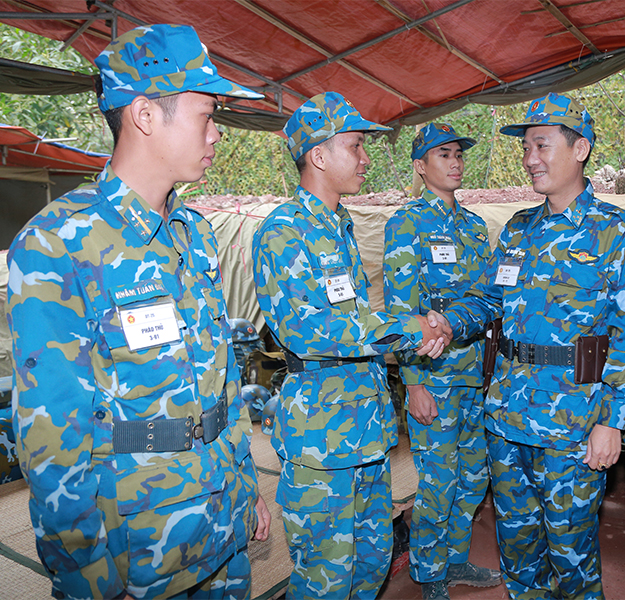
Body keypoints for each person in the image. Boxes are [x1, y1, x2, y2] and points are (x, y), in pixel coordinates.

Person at [6, 24, 271, 600]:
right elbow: (52, 435)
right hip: (138, 552)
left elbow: (221, 381)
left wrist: (247, 489)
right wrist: (89, 575)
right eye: (206, 115)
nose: (217, 134)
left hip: (221, 529)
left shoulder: (193, 234)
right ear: (147, 115)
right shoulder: (60, 243)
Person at [439, 92, 625, 598]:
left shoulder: (619, 234)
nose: (530, 158)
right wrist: (445, 323)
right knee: (517, 552)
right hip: (507, 419)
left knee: (573, 558)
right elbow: (489, 299)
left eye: (541, 144)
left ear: (580, 149)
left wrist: (611, 421)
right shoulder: (517, 229)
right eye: (526, 147)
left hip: (573, 424)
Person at [252, 91, 453, 600]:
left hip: (365, 433)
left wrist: (414, 330)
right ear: (319, 155)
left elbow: (355, 320)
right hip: (322, 443)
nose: (366, 159)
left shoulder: (340, 226)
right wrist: (412, 328)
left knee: (370, 567)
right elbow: (306, 330)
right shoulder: (284, 231)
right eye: (356, 146)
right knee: (324, 580)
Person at [383, 123, 501, 600]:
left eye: (458, 154)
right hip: (433, 377)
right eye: (442, 155)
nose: (454, 162)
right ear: (420, 166)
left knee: (474, 478)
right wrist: (412, 383)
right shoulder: (406, 222)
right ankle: (429, 574)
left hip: (476, 376)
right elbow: (401, 309)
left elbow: (488, 297)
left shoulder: (474, 226)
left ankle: (454, 561)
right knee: (438, 481)